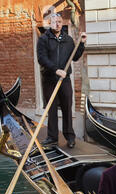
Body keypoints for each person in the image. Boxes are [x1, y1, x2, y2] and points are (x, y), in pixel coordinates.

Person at [37, 13, 87, 148]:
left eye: (59, 21)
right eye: (54, 22)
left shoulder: (68, 40)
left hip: (64, 80)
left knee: (67, 107)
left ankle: (70, 137)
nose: (57, 24)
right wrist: (55, 69)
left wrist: (81, 44)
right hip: (49, 79)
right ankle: (52, 137)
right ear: (49, 23)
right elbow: (42, 59)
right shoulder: (43, 39)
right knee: (51, 108)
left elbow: (75, 57)